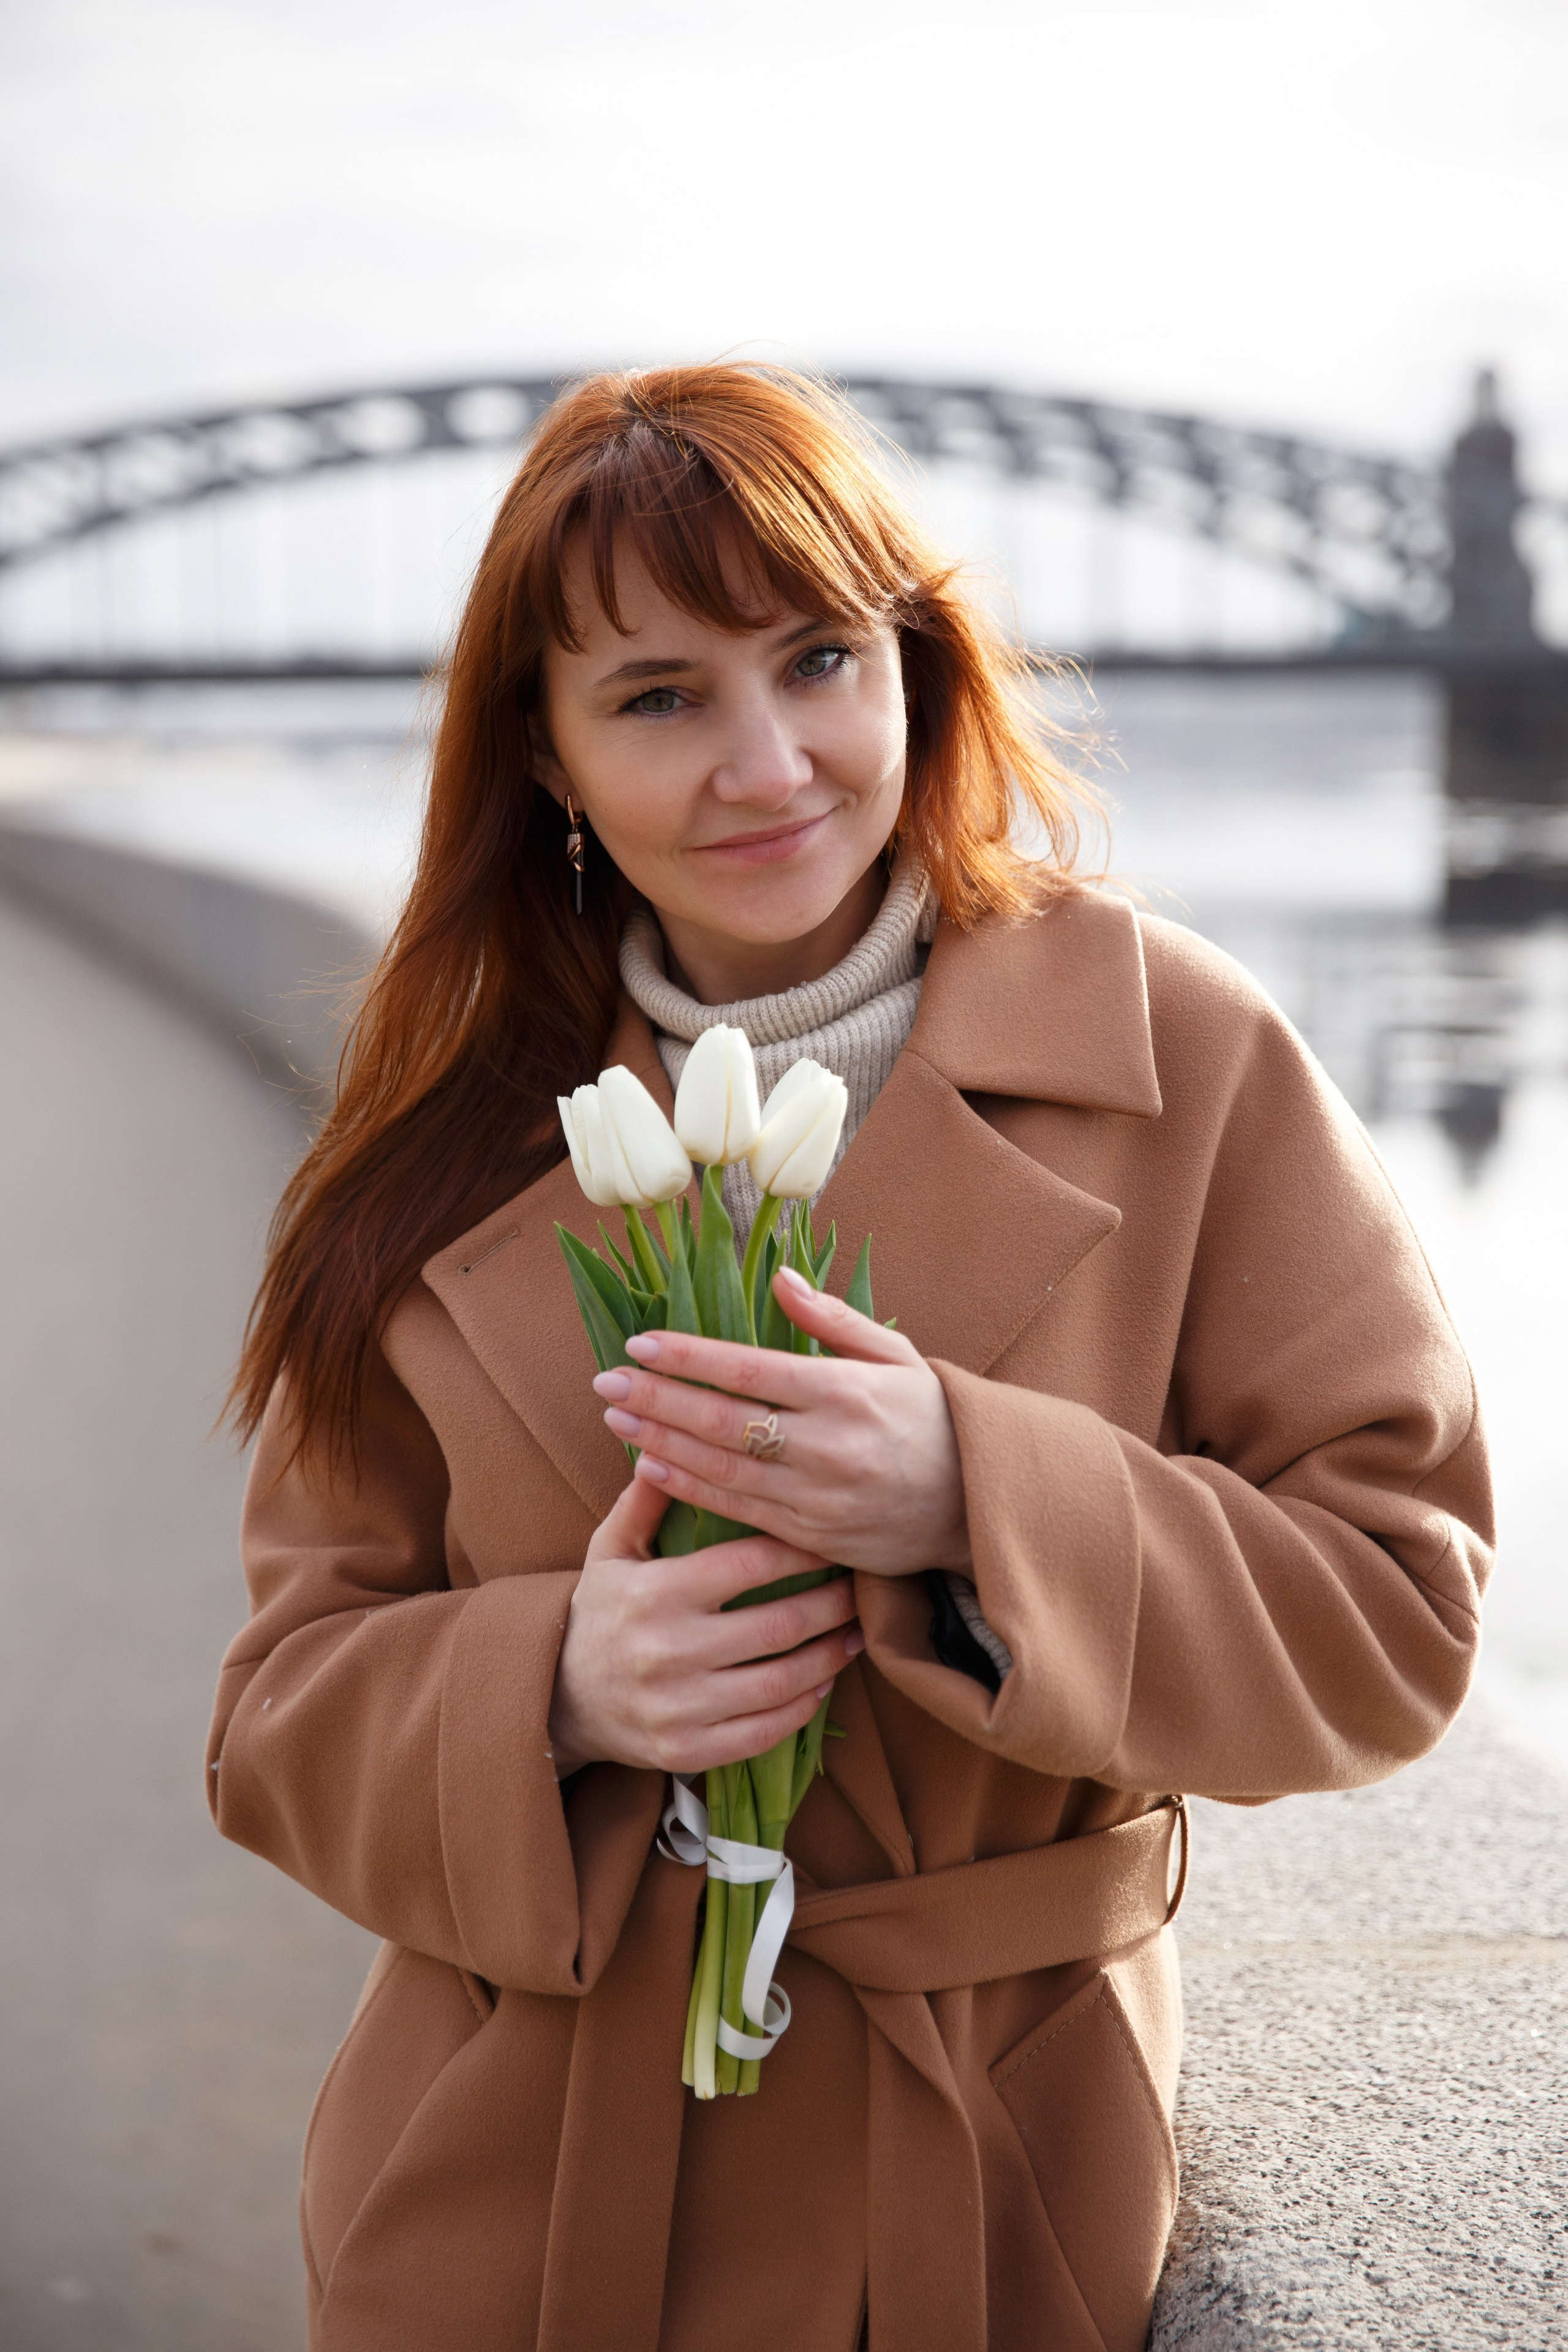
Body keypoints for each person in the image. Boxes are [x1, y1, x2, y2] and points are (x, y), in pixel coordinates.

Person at [209, 364, 1491, 2352]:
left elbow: (1398, 1619)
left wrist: (970, 1501)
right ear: (541, 755)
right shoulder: (438, 1137)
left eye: (819, 660)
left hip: (985, 2186)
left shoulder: (1186, 1055)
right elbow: (280, 1716)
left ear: (917, 667)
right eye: (656, 698)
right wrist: (548, 1683)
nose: (770, 763)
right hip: (508, 2198)